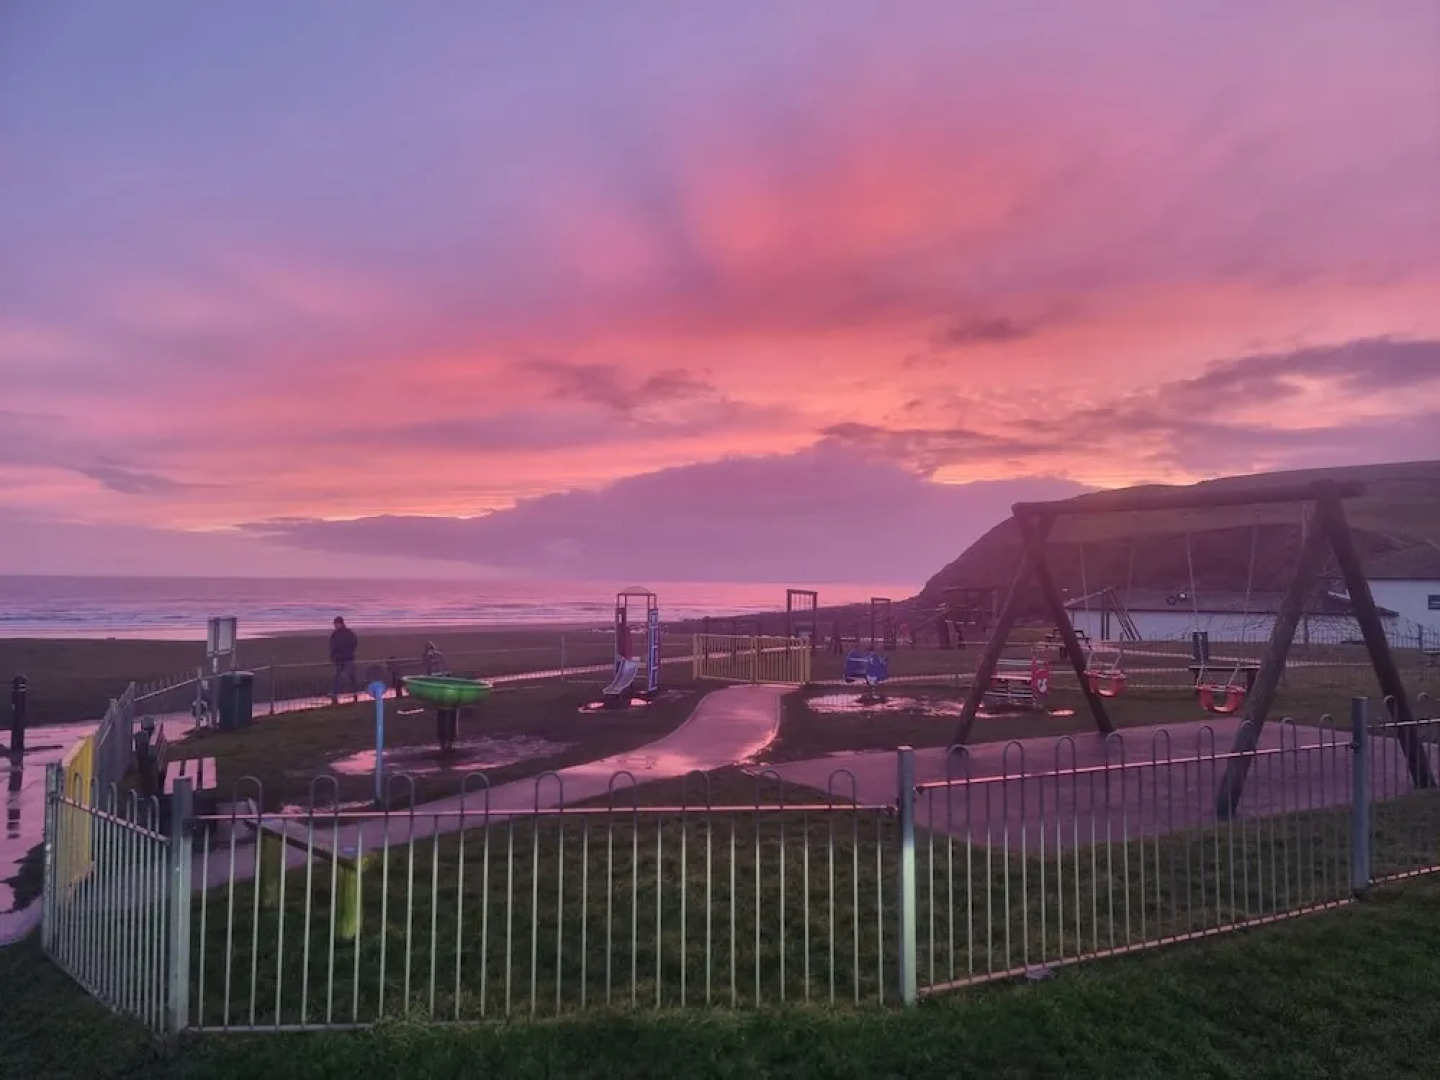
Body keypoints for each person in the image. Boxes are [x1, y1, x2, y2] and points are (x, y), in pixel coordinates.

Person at [330, 616, 359, 704]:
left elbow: (333, 646)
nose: (335, 625)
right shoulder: (348, 633)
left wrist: (333, 656)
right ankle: (352, 693)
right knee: (345, 677)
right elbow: (354, 642)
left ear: (340, 623)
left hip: (343, 658)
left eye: (335, 624)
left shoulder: (337, 634)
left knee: (341, 677)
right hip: (345, 658)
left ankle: (337, 694)